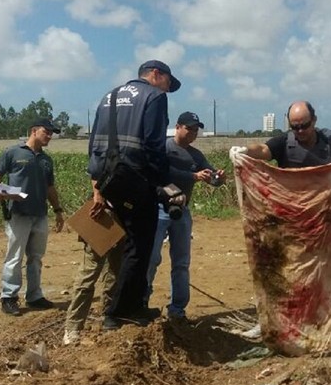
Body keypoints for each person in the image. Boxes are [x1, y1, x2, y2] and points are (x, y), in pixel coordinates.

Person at [87, 59, 182, 330]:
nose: (166, 91)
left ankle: (133, 305)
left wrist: (97, 185)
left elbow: (93, 143)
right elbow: (154, 146)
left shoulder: (110, 96)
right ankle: (118, 312)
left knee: (123, 245)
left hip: (109, 180)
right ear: (155, 75)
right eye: (167, 83)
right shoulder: (153, 97)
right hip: (136, 180)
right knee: (139, 247)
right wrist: (164, 185)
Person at [145, 111, 224, 320]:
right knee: (152, 258)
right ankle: (142, 301)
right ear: (178, 127)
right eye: (189, 128)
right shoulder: (163, 148)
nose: (193, 133)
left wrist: (217, 178)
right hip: (160, 208)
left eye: (196, 130)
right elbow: (160, 172)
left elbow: (212, 178)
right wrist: (192, 176)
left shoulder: (196, 155)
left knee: (181, 262)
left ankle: (177, 309)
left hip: (182, 211)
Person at [0, 117, 65, 316]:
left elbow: (50, 187)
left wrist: (58, 210)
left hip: (40, 214)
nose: (49, 136)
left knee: (36, 258)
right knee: (14, 257)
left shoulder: (46, 160)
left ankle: (34, 296)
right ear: (34, 131)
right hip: (19, 214)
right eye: (46, 132)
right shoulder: (13, 153)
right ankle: (9, 297)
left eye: (51, 133)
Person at [238, 101, 331, 169]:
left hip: (324, 209)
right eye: (295, 127)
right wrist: (245, 151)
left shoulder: (328, 142)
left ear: (314, 120)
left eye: (304, 126)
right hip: (291, 208)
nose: (300, 131)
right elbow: (263, 149)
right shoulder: (284, 142)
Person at [62, 238, 122, 345]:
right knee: (89, 275)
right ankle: (73, 326)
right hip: (99, 227)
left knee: (113, 275)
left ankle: (108, 318)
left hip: (121, 228)